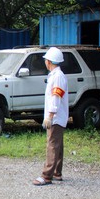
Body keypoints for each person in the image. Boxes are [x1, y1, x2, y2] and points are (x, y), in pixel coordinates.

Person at [33, 47, 68, 186]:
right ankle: (57, 173)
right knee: (58, 144)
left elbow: (56, 97)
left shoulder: (58, 77)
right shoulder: (55, 75)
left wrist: (50, 115)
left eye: (46, 60)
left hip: (56, 116)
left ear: (49, 61)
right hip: (57, 116)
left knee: (52, 145)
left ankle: (46, 176)